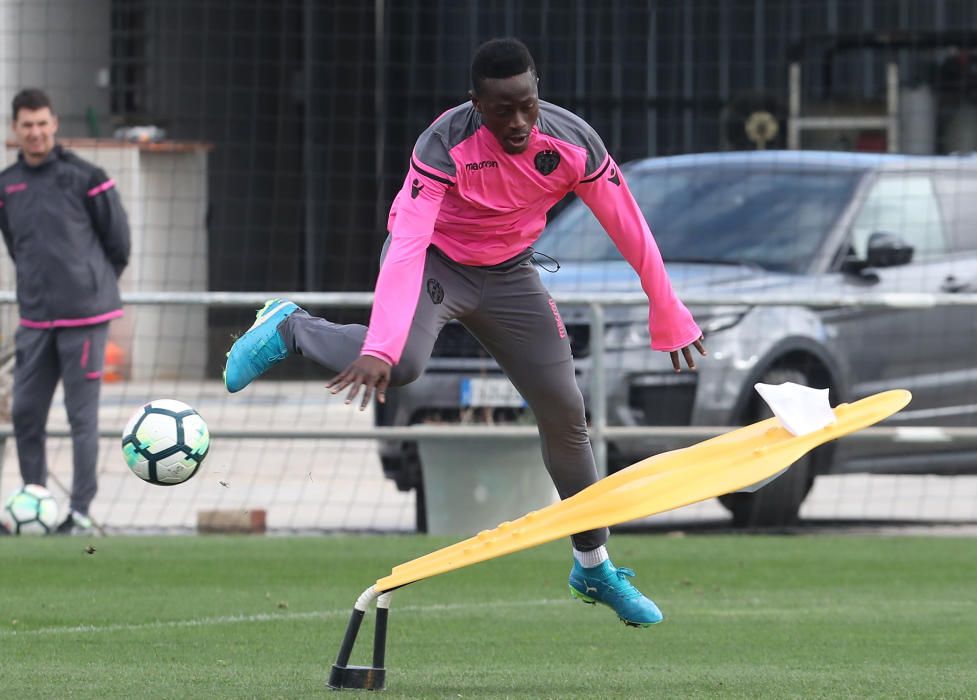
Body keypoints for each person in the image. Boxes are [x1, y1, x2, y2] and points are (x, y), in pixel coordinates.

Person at [223, 38, 705, 626]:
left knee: (564, 411)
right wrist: (378, 345)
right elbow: (405, 245)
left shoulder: (572, 142)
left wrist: (667, 306)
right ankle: (292, 327)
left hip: (510, 275)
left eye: (528, 104)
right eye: (503, 110)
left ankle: (594, 565)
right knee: (400, 366)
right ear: (476, 103)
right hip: (435, 263)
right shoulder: (444, 144)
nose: (520, 121)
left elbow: (627, 224)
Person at [0, 88, 131, 535]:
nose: (35, 132)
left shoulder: (86, 176)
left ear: (54, 123)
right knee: (24, 413)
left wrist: (89, 286)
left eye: (42, 123)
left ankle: (77, 512)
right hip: (35, 319)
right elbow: (18, 248)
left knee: (81, 418)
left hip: (85, 318)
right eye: (26, 125)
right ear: (14, 130)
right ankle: (33, 503)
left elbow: (119, 244)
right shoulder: (6, 186)